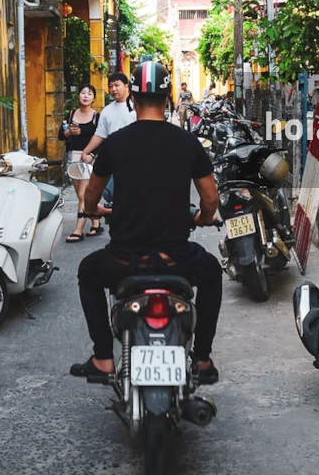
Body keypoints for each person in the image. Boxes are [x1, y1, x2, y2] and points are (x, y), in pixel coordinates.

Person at [69, 60, 223, 385]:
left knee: (87, 272)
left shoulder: (115, 143)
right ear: (168, 98)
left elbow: (92, 196)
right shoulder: (187, 142)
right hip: (176, 258)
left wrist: (96, 212)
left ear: (132, 100)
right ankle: (204, 359)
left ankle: (103, 358)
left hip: (124, 260)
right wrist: (204, 218)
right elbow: (210, 200)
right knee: (211, 273)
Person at [77, 71, 136, 214]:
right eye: (110, 86)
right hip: (114, 160)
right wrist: (87, 150)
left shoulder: (136, 107)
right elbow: (100, 134)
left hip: (134, 159)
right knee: (111, 194)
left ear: (126, 86)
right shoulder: (107, 111)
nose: (113, 89)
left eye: (117, 85)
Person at [61, 84, 101, 242]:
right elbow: (60, 135)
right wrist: (69, 132)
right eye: (83, 93)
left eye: (89, 93)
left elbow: (102, 139)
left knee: (83, 195)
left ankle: (78, 230)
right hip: (73, 157)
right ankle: (95, 220)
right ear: (78, 96)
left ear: (93, 98)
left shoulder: (97, 117)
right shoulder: (71, 115)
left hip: (88, 159)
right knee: (80, 194)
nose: (85, 96)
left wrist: (92, 154)